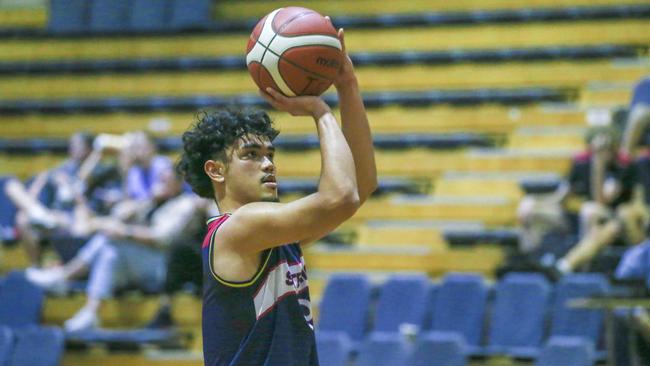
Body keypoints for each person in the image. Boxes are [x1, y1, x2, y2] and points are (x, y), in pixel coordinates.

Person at [177, 28, 376, 365]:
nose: (268, 164)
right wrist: (320, 111)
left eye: (270, 154)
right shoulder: (237, 229)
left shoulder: (274, 236)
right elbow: (341, 196)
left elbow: (360, 185)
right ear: (216, 170)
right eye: (251, 155)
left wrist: (348, 86)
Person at [26, 169, 205, 332]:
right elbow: (119, 214)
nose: (159, 185)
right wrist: (148, 199)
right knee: (109, 253)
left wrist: (124, 232)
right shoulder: (153, 202)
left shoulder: (185, 204)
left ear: (177, 183)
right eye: (158, 180)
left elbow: (162, 237)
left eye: (164, 181)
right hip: (138, 261)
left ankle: (65, 276)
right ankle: (90, 311)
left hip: (164, 266)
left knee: (110, 241)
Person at [4, 132, 98, 266]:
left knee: (23, 219)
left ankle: (41, 218)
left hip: (70, 217)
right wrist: (37, 187)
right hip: (48, 211)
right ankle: (39, 215)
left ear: (89, 149)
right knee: (10, 186)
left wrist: (68, 186)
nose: (72, 149)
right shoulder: (65, 167)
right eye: (71, 145)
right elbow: (43, 179)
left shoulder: (97, 171)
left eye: (77, 145)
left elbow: (85, 207)